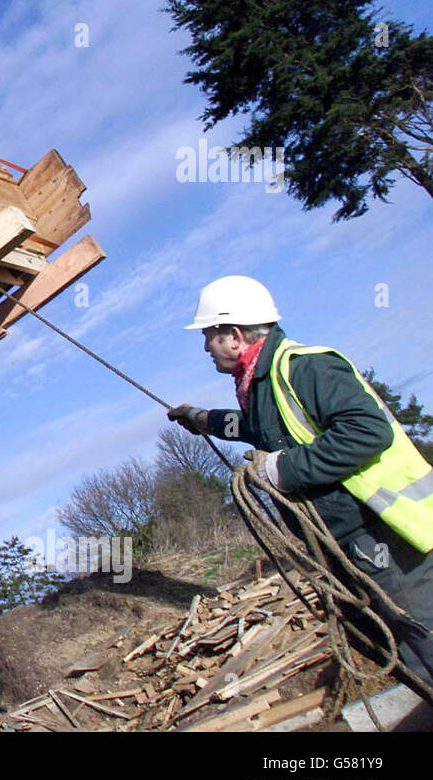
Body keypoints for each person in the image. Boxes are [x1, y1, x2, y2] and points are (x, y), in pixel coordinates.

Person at [167, 275, 433, 685]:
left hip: (385, 538)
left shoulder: (306, 366)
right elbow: (262, 428)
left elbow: (366, 432)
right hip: (346, 546)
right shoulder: (263, 382)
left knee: (422, 641)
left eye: (209, 336)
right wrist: (204, 420)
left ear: (235, 336)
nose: (205, 347)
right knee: (397, 651)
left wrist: (280, 470)